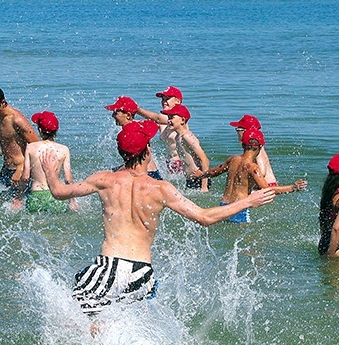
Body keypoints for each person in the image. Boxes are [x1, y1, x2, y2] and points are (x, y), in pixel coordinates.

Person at [39, 119, 276, 316]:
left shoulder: (104, 179)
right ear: (148, 151)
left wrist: (50, 173)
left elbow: (60, 192)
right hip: (142, 272)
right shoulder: (161, 189)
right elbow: (204, 217)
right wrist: (248, 201)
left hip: (107, 266)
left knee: (82, 318)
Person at [193, 128, 307, 223]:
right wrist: (292, 187)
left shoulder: (233, 159)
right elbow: (267, 189)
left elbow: (213, 172)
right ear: (260, 147)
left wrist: (201, 174)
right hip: (239, 208)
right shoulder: (253, 168)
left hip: (223, 206)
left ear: (243, 144)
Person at [13, 111, 78, 212]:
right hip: (57, 196)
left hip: (36, 197)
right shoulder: (64, 150)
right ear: (57, 129)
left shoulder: (31, 148)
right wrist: (72, 200)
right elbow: (68, 179)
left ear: (39, 130)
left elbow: (25, 177)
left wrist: (18, 198)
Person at [0, 85, 39, 194]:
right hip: (6, 169)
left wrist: (21, 168)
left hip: (22, 171)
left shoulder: (17, 120)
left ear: (3, 102)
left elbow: (37, 146)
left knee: (18, 206)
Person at [105, 96, 162, 180]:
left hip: (144, 176)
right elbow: (158, 120)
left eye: (116, 112)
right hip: (154, 173)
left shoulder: (128, 134)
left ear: (128, 115)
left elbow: (133, 162)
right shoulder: (144, 125)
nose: (113, 115)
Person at [160, 104, 210, 192]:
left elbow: (205, 160)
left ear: (182, 120)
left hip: (198, 179)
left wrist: (204, 186)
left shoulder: (187, 136)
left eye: (172, 117)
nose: (168, 120)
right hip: (190, 180)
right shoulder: (178, 137)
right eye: (168, 117)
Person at [136, 86, 184, 174]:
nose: (164, 102)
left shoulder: (179, 117)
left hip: (182, 164)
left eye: (167, 99)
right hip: (170, 164)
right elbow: (152, 123)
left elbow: (157, 118)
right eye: (163, 99)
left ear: (177, 101)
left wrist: (137, 109)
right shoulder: (164, 122)